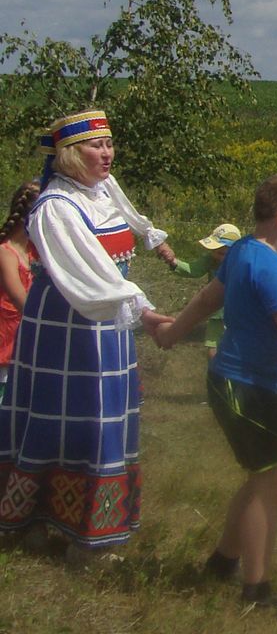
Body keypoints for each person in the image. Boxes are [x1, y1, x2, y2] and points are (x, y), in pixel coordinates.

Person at [156, 173, 277, 606]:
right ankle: (256, 588)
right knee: (270, 484)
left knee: (264, 476)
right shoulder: (274, 272)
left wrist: (174, 331)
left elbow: (209, 299)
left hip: (247, 385)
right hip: (248, 389)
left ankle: (223, 561)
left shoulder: (243, 250)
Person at [0, 111, 175, 560]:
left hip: (106, 323)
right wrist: (145, 312)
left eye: (110, 144)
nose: (108, 153)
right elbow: (91, 276)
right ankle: (43, 523)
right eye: (97, 146)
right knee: (64, 417)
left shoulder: (100, 190)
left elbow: (129, 217)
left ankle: (88, 526)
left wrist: (151, 238)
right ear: (71, 155)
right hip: (66, 328)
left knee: (105, 415)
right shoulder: (56, 207)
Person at [171, 222, 241, 359]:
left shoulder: (243, 261)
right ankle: (215, 372)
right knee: (212, 345)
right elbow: (193, 270)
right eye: (214, 251)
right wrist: (174, 263)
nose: (216, 256)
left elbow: (270, 269)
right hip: (216, 310)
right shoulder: (210, 260)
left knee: (238, 343)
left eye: (221, 253)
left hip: (237, 310)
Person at [0, 182, 41, 406]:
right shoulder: (5, 252)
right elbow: (18, 298)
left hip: (28, 336)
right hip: (7, 339)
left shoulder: (35, 251)